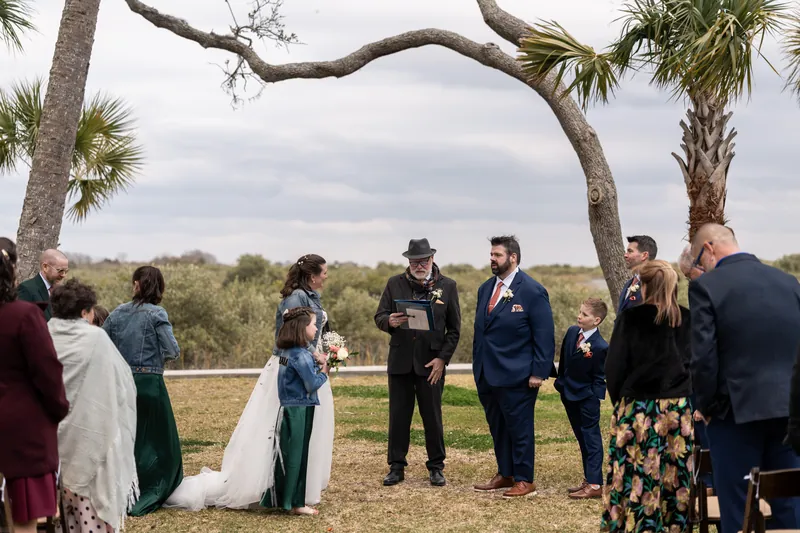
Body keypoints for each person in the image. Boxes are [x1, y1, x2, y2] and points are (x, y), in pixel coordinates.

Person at [163, 254, 333, 511]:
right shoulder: (297, 298)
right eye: (323, 272)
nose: (326, 276)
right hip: (297, 368)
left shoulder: (308, 295)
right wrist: (314, 354)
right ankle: (276, 487)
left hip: (310, 363)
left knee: (307, 429)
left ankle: (299, 488)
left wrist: (327, 350)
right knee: (284, 429)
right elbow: (291, 334)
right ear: (311, 276)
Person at [689, 223, 800, 532]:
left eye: (699, 260)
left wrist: (706, 406)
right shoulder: (789, 282)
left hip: (734, 412)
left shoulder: (707, 287)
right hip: (788, 409)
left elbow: (703, 357)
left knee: (737, 508)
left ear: (709, 248)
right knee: (788, 500)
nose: (700, 267)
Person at [601, 260, 693, 533]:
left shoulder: (630, 318)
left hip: (638, 408)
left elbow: (614, 366)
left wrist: (621, 401)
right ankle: (674, 525)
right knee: (673, 474)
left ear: (644, 286)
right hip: (677, 409)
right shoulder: (686, 318)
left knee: (635, 473)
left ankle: (635, 525)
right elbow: (694, 362)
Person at [48, 279, 138, 532]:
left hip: (51, 441)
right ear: (85, 311)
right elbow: (120, 386)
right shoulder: (96, 338)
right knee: (89, 509)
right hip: (90, 435)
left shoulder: (42, 334)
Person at [472, 235, 555, 498]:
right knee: (498, 427)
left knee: (520, 429)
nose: (492, 259)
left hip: (519, 375)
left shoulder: (532, 290)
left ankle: (524, 478)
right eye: (491, 254)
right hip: (487, 373)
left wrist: (539, 372)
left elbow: (544, 335)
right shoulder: (485, 288)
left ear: (513, 258)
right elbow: (481, 332)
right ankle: (505, 473)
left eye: (497, 255)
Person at [375, 238, 462, 487]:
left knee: (432, 416)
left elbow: (454, 330)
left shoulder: (448, 286)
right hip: (401, 360)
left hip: (431, 363)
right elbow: (379, 315)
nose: (419, 265)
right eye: (414, 261)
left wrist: (442, 359)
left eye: (423, 261)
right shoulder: (394, 283)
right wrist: (388, 321)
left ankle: (436, 467)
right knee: (399, 415)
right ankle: (396, 466)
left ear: (432, 259)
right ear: (408, 262)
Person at [0, 238, 69, 533]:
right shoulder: (24, 315)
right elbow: (48, 372)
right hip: (20, 431)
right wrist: (57, 409)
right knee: (24, 518)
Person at [103, 266, 183, 516]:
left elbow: (103, 344)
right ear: (159, 287)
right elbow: (172, 350)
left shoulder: (116, 313)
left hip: (123, 382)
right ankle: (152, 489)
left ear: (136, 284)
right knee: (159, 441)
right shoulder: (157, 313)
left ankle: (126, 489)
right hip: (150, 383)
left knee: (129, 438)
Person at [260, 307, 330, 515]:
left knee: (288, 453)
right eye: (312, 324)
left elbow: (289, 373)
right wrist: (325, 371)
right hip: (299, 409)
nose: (315, 327)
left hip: (287, 407)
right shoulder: (301, 356)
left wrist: (314, 364)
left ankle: (285, 498)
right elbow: (311, 384)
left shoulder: (286, 354)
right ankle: (295, 503)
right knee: (296, 456)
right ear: (301, 328)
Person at [552, 297, 609, 500]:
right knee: (581, 438)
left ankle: (595, 484)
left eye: (584, 314)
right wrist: (560, 383)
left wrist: (594, 397)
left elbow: (599, 377)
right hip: (568, 394)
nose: (579, 316)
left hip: (587, 398)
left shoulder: (600, 346)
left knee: (591, 439)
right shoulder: (571, 333)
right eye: (580, 312)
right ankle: (588, 478)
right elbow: (565, 360)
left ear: (597, 321)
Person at [17, 249, 69, 321]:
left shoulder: (63, 291)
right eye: (60, 271)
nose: (64, 275)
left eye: (66, 271)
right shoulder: (27, 289)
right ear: (45, 267)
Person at [616, 235, 657, 315]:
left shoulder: (654, 283)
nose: (625, 255)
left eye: (630, 251)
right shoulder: (628, 284)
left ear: (644, 255)